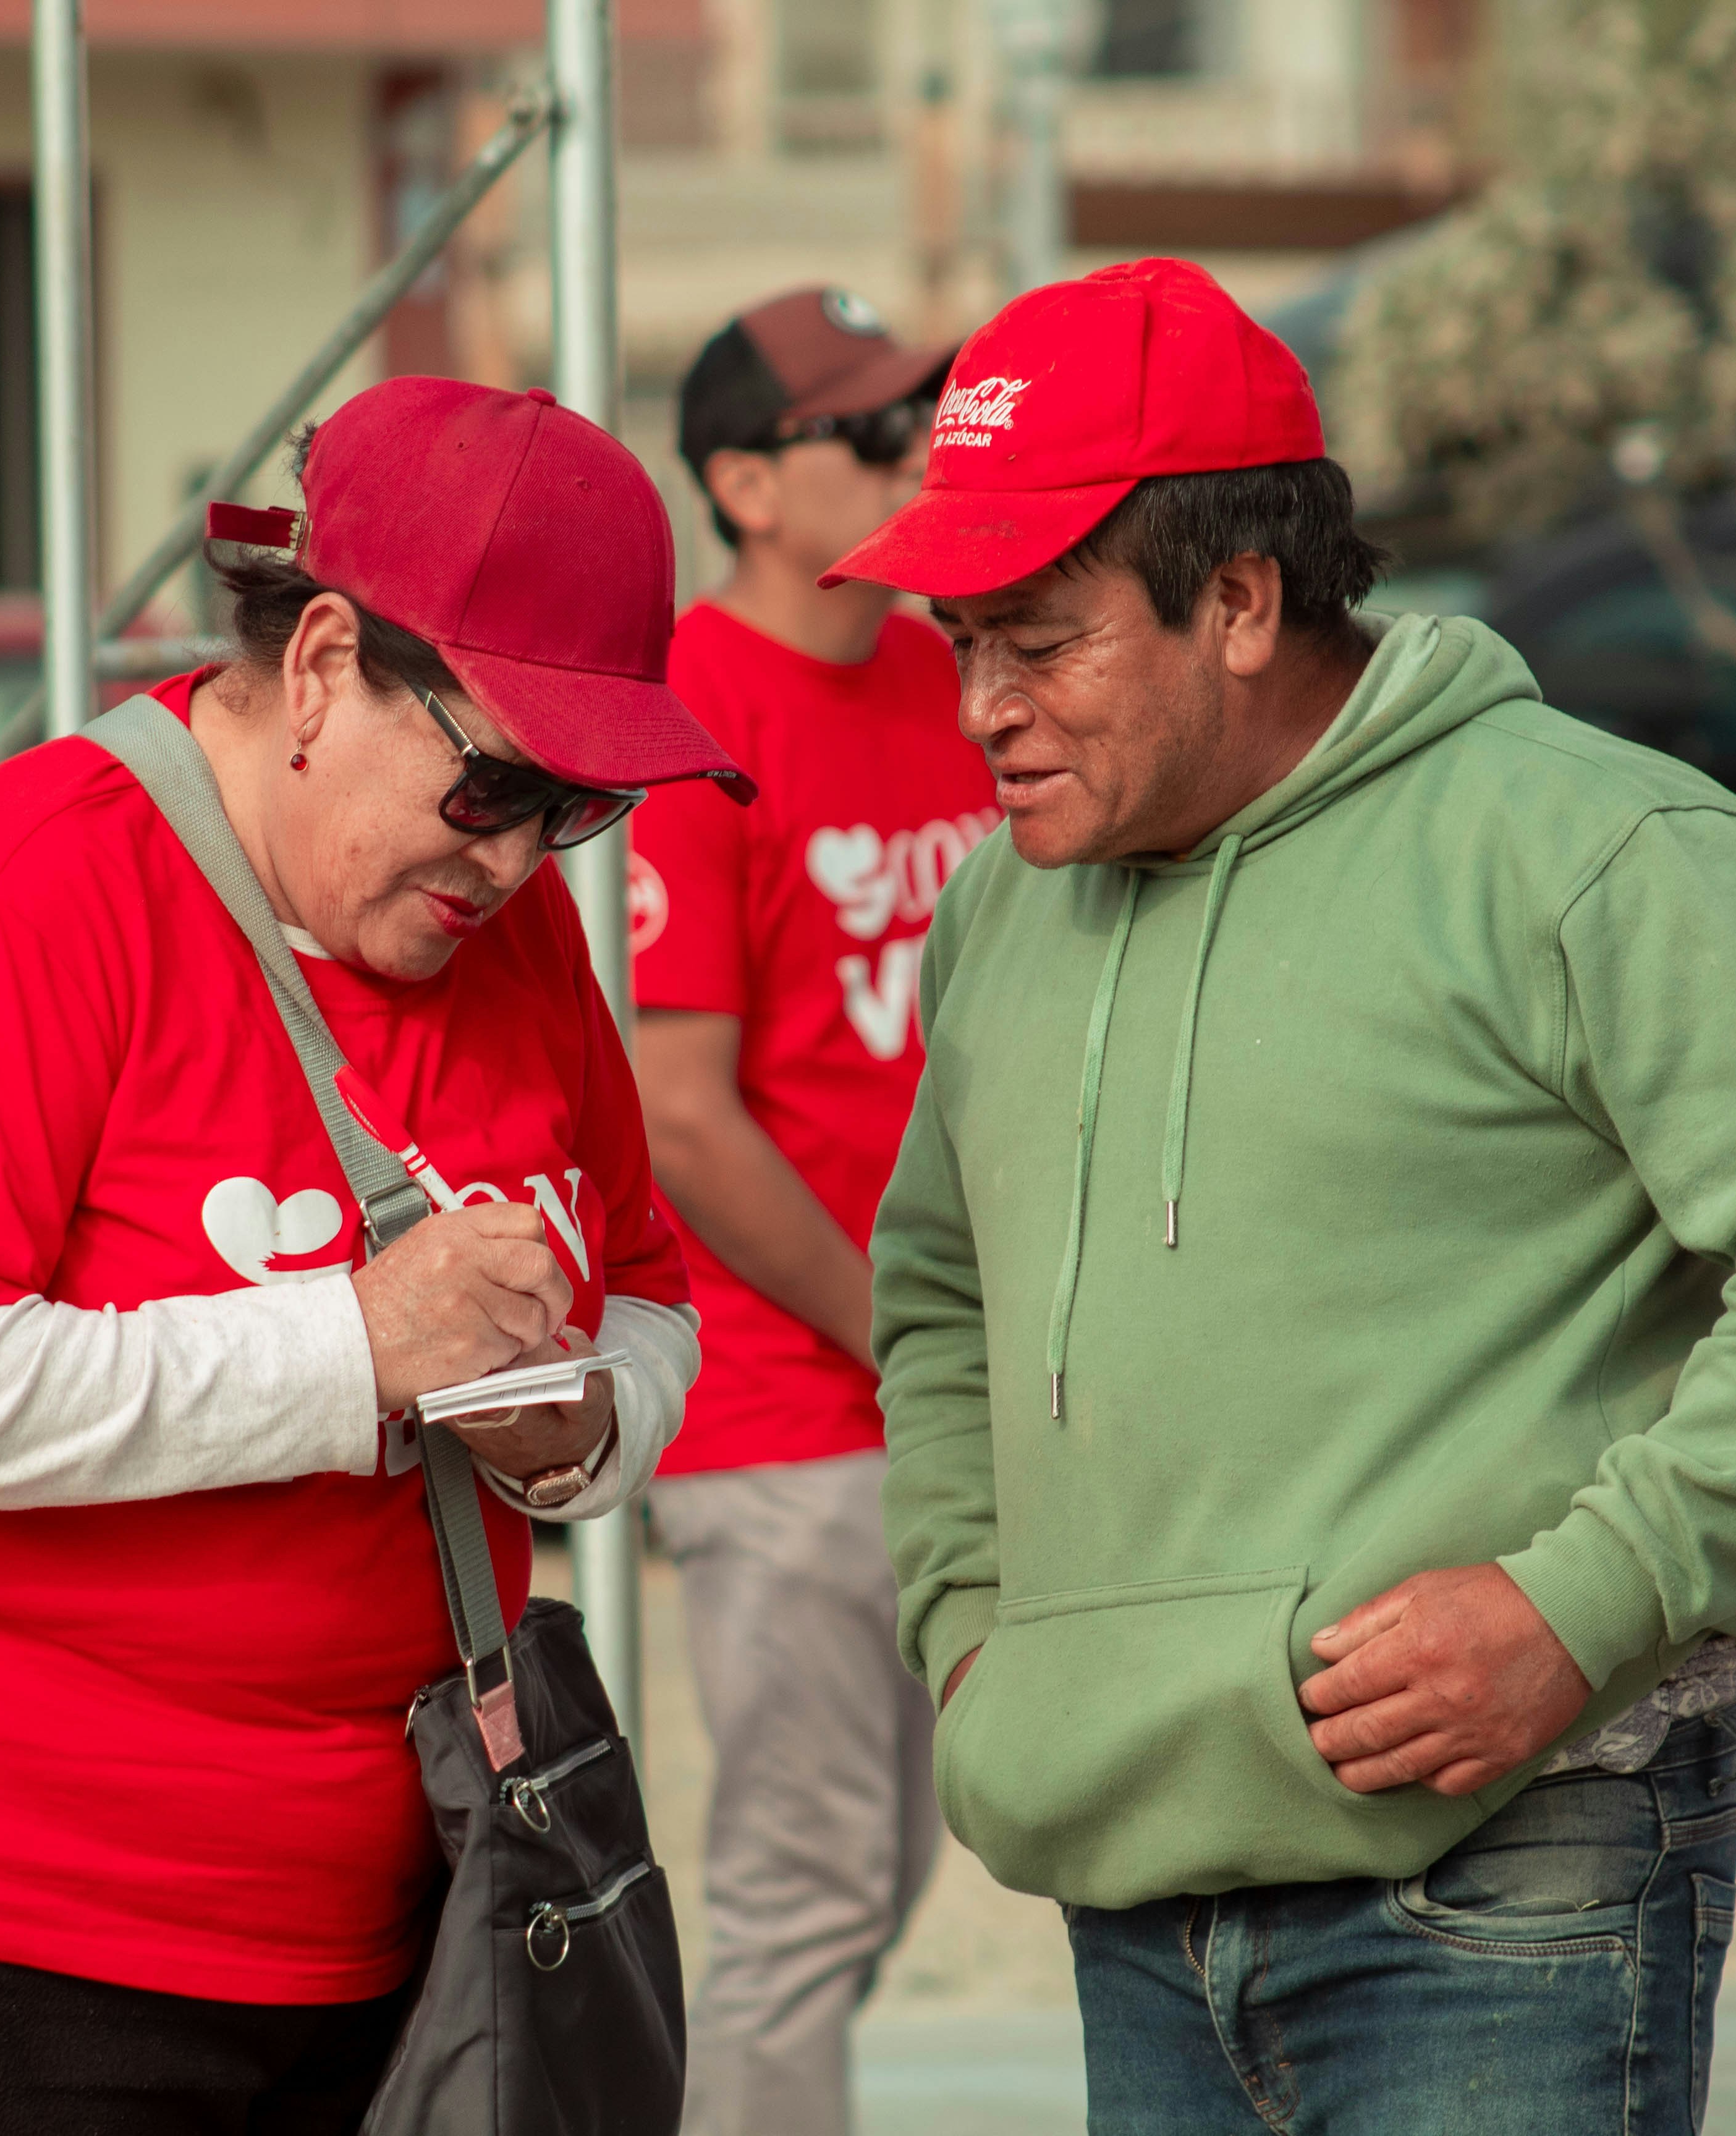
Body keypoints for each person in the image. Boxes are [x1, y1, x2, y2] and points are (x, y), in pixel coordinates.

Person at [839, 259, 1736, 2132]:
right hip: (1128, 1877)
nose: (980, 705)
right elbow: (937, 1305)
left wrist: (1584, 1602)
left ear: (1238, 601)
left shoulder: (1591, 848)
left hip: (1504, 1870)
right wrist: (979, 1630)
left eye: (1036, 641)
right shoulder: (1000, 908)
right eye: (956, 641)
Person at [0, 377, 750, 2134]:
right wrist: (352, 1351)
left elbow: (642, 1283)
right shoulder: (37, 879)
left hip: (369, 1940)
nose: (511, 854)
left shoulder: (513, 929)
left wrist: (586, 1424)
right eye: (488, 781)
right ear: (322, 663)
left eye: (570, 807)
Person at [625, 287, 980, 2136]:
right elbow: (682, 1115)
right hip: (788, 1400)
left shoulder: (942, 671)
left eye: (921, 416)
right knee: (802, 1900)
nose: (920, 453)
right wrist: (902, 1334)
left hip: (935, 1384)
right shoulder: (690, 711)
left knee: (887, 1876)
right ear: (748, 484)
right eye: (874, 432)